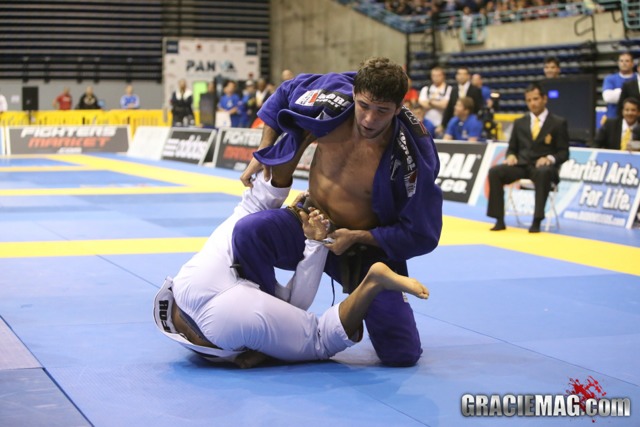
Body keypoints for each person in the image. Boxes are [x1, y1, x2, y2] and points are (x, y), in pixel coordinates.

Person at [235, 57, 443, 367]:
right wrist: (265, 150)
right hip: (309, 222)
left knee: (402, 354)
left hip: (364, 249)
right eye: (364, 106)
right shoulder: (333, 97)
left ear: (399, 108)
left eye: (382, 111)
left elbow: (423, 233)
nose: (369, 119)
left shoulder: (412, 155)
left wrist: (359, 236)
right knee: (250, 232)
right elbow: (285, 92)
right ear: (355, 94)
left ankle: (361, 302)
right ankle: (265, 330)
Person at [153, 176, 429, 368]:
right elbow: (252, 204)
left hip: (192, 308)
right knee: (248, 217)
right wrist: (315, 243)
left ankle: (371, 281)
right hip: (196, 288)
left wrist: (313, 241)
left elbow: (292, 305)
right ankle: (371, 279)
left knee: (315, 335)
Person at [487, 82, 569, 233]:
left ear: (544, 99)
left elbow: (564, 153)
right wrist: (511, 156)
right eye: (529, 100)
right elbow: (512, 148)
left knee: (543, 173)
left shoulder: (558, 123)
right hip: (522, 165)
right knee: (495, 172)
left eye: (536, 99)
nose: (532, 103)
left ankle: (537, 220)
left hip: (543, 168)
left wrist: (550, 158)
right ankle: (499, 219)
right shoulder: (520, 122)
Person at [442, 66, 484, 131]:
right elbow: (449, 108)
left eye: (464, 74)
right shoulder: (454, 90)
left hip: (470, 123)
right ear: (456, 76)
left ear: (468, 76)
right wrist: (443, 124)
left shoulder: (475, 90)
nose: (461, 76)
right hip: (456, 122)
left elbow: (479, 107)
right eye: (459, 74)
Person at [418, 66, 452, 138]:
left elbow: (445, 105)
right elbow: (422, 104)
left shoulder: (449, 89)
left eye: (438, 75)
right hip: (426, 124)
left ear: (443, 76)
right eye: (434, 75)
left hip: (441, 125)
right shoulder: (425, 89)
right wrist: (438, 103)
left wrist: (430, 101)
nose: (436, 77)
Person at [601, 52, 635, 120]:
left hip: (634, 119)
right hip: (613, 117)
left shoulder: (638, 78)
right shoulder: (610, 79)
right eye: (621, 61)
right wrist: (631, 93)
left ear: (632, 63)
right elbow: (608, 97)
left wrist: (617, 92)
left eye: (627, 61)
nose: (624, 63)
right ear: (618, 63)